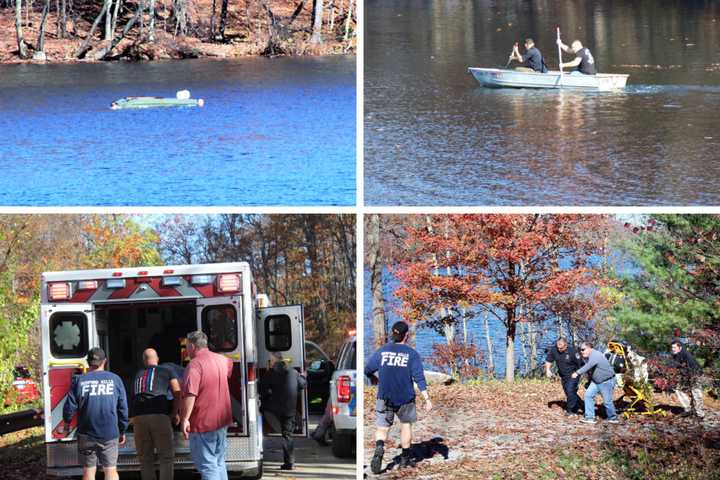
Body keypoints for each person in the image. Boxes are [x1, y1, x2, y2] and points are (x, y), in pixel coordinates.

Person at [365, 321, 431, 474]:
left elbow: (367, 369)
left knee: (382, 427)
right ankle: (405, 459)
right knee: (406, 425)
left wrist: (373, 378)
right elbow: (419, 377)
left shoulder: (383, 351)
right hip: (405, 398)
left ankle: (379, 448)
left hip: (384, 397)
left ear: (393, 335)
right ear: (406, 336)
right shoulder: (411, 354)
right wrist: (427, 399)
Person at [61, 347, 128, 480]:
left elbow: (69, 406)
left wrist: (67, 424)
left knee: (88, 472)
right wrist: (122, 430)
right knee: (110, 470)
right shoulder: (115, 380)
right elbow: (123, 408)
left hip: (86, 434)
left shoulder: (79, 381)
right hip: (109, 433)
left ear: (88, 362)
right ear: (105, 361)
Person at [180, 331, 233, 480]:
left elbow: (191, 394)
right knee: (219, 462)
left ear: (191, 346)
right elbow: (230, 368)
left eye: (187, 347)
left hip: (203, 423)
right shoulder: (222, 360)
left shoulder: (194, 365)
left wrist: (185, 419)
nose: (187, 350)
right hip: (222, 421)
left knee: (208, 466)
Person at [132, 348, 182, 480]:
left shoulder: (138, 374)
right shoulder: (167, 370)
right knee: (165, 456)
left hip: (138, 418)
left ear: (144, 361)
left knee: (145, 459)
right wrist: (175, 413)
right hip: (159, 416)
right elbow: (177, 393)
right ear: (158, 359)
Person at [259, 352, 308, 470]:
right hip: (289, 410)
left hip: (273, 409)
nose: (269, 362)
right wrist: (303, 377)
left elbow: (261, 389)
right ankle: (289, 462)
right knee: (287, 435)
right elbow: (303, 385)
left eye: (270, 360)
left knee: (259, 412)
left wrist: (268, 396)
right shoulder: (293, 372)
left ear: (275, 361)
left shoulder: (270, 373)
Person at [571, 342, 619, 424]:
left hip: (606, 381)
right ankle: (590, 417)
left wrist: (577, 373)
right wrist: (588, 381)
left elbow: (588, 366)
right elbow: (591, 371)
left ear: (589, 348)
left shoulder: (596, 354)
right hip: (596, 381)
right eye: (580, 350)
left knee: (607, 401)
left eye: (583, 349)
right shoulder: (587, 357)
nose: (581, 351)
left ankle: (613, 418)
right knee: (588, 396)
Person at [545, 338, 584, 416]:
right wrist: (548, 370)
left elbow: (582, 364)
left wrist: (578, 373)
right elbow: (549, 360)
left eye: (561, 348)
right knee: (570, 393)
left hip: (574, 374)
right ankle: (583, 405)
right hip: (563, 376)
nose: (559, 349)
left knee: (570, 390)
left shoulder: (573, 352)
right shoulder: (554, 350)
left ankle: (570, 410)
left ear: (566, 345)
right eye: (558, 347)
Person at [671, 340, 705, 419]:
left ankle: (700, 414)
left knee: (696, 393)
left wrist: (687, 377)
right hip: (685, 375)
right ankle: (688, 409)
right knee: (678, 389)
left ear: (680, 347)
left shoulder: (686, 355)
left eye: (674, 347)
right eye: (672, 347)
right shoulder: (675, 355)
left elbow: (693, 368)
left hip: (695, 374)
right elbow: (674, 366)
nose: (673, 349)